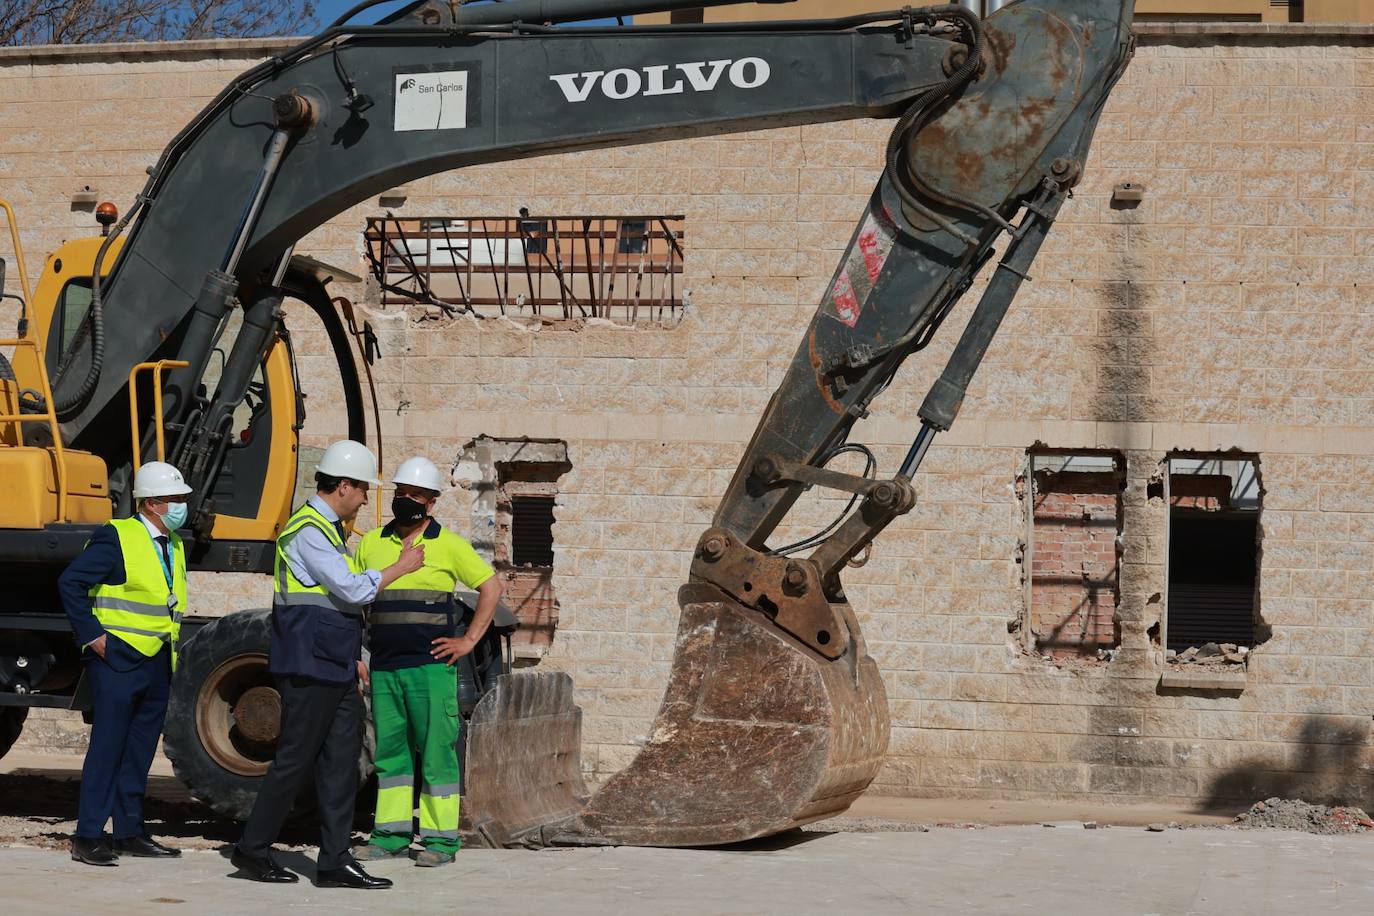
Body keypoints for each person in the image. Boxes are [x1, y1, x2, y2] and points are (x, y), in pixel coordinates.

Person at [231, 440, 425, 890]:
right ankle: (252, 849)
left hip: (335, 663)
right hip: (308, 663)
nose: (364, 498)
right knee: (295, 761)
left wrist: (354, 657)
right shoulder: (310, 530)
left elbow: (339, 603)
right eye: (361, 490)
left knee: (340, 764)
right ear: (343, 486)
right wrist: (400, 567)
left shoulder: (330, 530)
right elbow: (354, 590)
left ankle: (334, 861)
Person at [353, 456, 504, 867]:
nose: (406, 500)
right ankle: (390, 835)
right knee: (391, 755)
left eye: (415, 495)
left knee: (437, 754)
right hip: (384, 669)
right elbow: (353, 601)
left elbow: (491, 586)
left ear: (432, 502)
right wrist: (356, 656)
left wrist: (468, 640)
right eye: (400, 493)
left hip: (431, 669)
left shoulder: (449, 545)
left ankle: (440, 843)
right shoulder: (371, 544)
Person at [59, 461, 193, 866]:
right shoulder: (117, 536)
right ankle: (88, 835)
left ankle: (130, 831)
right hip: (116, 659)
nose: (182, 505)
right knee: (108, 748)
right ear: (151, 503)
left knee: (138, 750)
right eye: (176, 499)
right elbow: (70, 582)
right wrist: (92, 637)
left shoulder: (173, 542)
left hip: (155, 661)